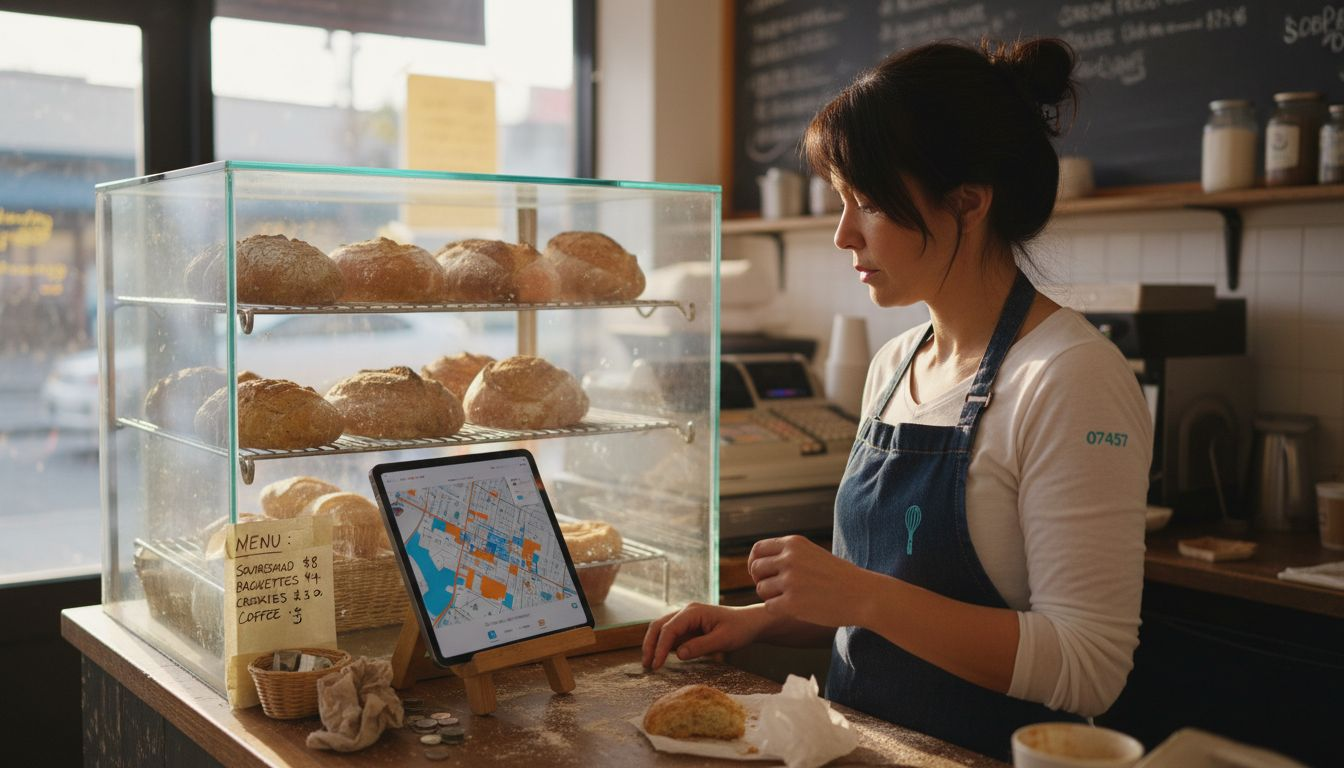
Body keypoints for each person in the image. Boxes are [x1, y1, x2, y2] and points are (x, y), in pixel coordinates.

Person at [642, 38, 1153, 761]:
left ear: (969, 204)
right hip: (868, 748)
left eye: (870, 204)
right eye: (842, 201)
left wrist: (857, 596)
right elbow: (879, 603)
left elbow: (1088, 667)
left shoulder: (1069, 377)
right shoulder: (894, 362)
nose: (844, 235)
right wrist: (756, 620)